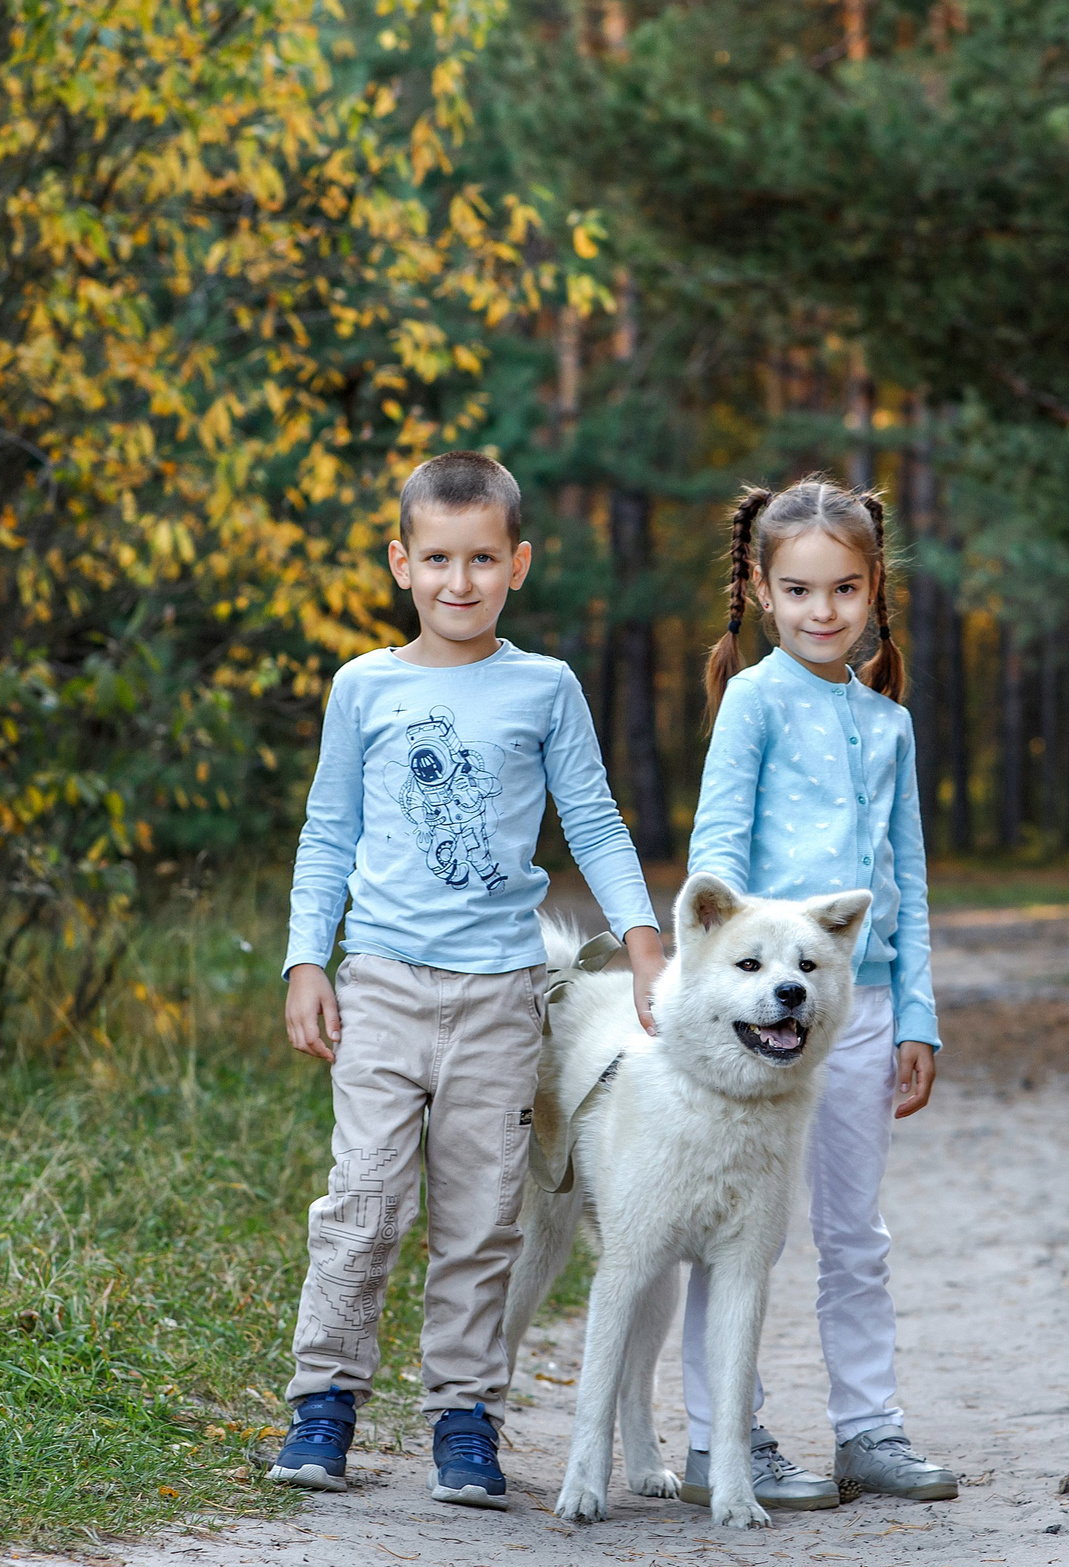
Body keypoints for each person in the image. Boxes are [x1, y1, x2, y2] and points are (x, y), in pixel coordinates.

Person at [270, 450, 667, 1510]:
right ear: (401, 562)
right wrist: (307, 956)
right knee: (362, 1200)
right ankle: (325, 1401)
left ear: (517, 563)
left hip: (499, 998)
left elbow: (592, 818)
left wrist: (640, 937)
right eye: (437, 558)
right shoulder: (365, 687)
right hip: (385, 984)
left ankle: (463, 1416)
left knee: (485, 1213)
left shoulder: (544, 687)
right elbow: (327, 830)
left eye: (481, 558)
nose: (459, 581)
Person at [676, 475, 956, 1510]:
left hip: (860, 1009)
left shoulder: (888, 725)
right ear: (759, 587)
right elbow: (715, 862)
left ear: (874, 586)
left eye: (844, 588)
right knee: (739, 1224)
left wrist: (915, 1013)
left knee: (854, 1230)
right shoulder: (751, 702)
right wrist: (709, 993)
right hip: (758, 1020)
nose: (822, 610)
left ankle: (868, 1430)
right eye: (798, 590)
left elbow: (908, 880)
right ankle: (721, 1437)